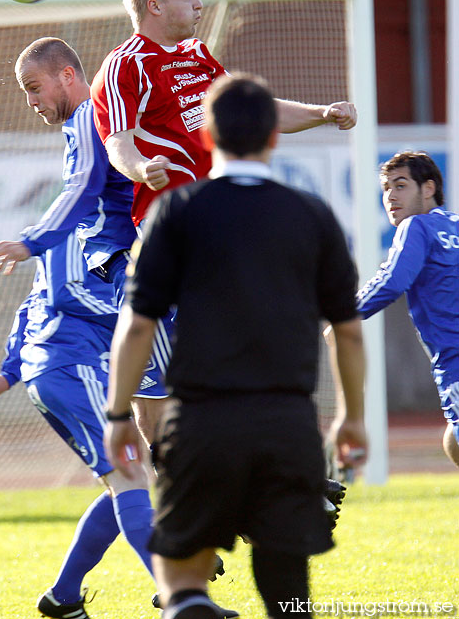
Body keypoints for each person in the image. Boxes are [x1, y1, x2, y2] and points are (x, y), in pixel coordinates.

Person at [104, 73, 367, 619]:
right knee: (288, 592)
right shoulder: (311, 216)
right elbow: (347, 329)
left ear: (205, 138)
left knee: (181, 581)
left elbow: (137, 325)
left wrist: (117, 414)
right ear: (274, 136)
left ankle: (191, 604)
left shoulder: (176, 212)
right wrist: (352, 418)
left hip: (200, 423)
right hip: (288, 426)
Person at [0, 37, 172, 447]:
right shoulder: (97, 120)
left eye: (34, 87)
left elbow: (82, 188)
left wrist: (30, 242)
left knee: (177, 404)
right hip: (136, 275)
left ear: (67, 75)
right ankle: (183, 502)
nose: (30, 101)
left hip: (144, 273)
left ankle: (283, 483)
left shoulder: (88, 116)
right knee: (150, 406)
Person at [90, 0, 357, 229]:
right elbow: (118, 145)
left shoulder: (197, 53)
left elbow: (258, 113)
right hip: (174, 216)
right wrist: (142, 168)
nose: (198, 3)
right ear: (154, 6)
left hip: (222, 206)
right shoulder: (125, 65)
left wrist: (324, 113)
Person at [0, 232, 156, 619]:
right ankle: (181, 593)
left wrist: (8, 372)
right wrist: (142, 309)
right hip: (71, 367)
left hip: (70, 369)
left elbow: (33, 303)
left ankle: (64, 596)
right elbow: (66, 295)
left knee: (132, 476)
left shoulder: (98, 225)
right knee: (131, 476)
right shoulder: (75, 226)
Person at [357, 150, 459, 468]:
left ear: (428, 189)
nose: (390, 196)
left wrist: (342, 312)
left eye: (400, 185)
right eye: (385, 188)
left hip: (455, 362)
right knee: (453, 439)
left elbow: (392, 280)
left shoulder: (417, 226)